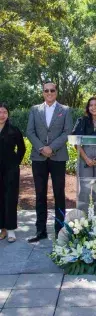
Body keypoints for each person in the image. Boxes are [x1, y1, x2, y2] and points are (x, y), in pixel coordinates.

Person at [26, 81, 73, 242]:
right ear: (42, 93)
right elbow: (30, 132)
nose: (49, 92)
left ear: (56, 92)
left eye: (52, 90)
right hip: (38, 157)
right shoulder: (34, 110)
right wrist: (42, 148)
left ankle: (60, 231)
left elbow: (68, 132)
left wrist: (51, 148)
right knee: (40, 194)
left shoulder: (65, 110)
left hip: (58, 157)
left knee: (59, 194)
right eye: (46, 90)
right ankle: (40, 231)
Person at [0, 103, 26, 243]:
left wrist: (16, 163)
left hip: (11, 169)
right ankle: (2, 229)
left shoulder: (14, 130)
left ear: (8, 114)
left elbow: (22, 148)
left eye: (4, 112)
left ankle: (10, 230)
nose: (2, 114)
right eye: (0, 112)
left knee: (10, 198)